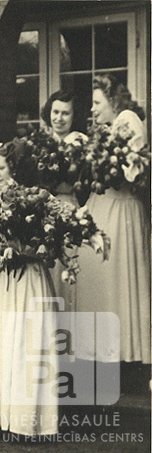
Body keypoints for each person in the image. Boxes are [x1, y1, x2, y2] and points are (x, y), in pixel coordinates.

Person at [76, 73, 150, 364]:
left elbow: (134, 170)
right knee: (102, 280)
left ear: (113, 101)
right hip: (105, 205)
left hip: (120, 209)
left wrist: (107, 162)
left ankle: (123, 350)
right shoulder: (107, 129)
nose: (92, 109)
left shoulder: (127, 119)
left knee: (117, 278)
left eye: (97, 103)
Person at [0, 140, 58, 436]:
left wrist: (28, 249)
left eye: (0, 168)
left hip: (29, 277)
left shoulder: (39, 198)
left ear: (16, 170)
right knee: (8, 343)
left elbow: (53, 241)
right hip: (6, 279)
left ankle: (30, 420)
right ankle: (7, 418)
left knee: (29, 343)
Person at [39, 91, 87, 317]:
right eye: (55, 112)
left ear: (74, 116)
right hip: (44, 209)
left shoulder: (79, 142)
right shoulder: (43, 140)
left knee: (66, 266)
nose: (59, 118)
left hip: (67, 208)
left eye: (65, 113)